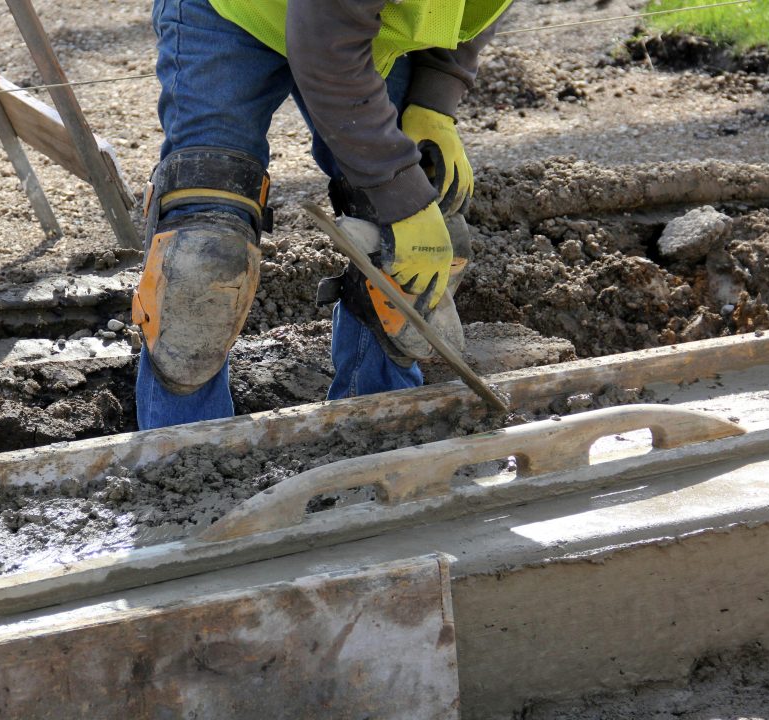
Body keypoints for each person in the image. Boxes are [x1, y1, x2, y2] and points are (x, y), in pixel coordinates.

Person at [132, 0, 513, 430]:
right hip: (230, 12)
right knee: (200, 261)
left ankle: (382, 433)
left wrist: (434, 99)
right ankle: (183, 468)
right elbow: (324, 51)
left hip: (362, 26)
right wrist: (399, 195)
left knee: (412, 251)